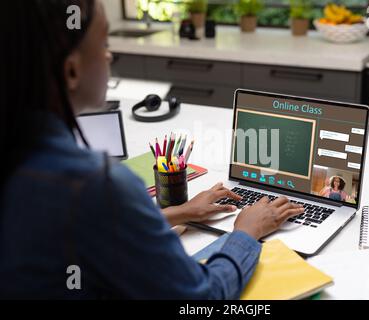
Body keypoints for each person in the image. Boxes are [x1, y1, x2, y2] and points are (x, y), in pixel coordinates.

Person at [0, 0, 304, 299]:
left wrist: (180, 212)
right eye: (104, 43)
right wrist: (246, 233)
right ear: (71, 72)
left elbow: (93, 232)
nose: (109, 56)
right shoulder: (96, 185)